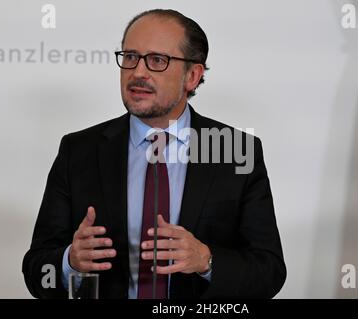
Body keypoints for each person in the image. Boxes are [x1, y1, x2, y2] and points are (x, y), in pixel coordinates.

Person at [22, 9, 286, 299]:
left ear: (193, 76)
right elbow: (37, 272)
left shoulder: (235, 151)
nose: (138, 72)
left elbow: (269, 273)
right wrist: (68, 261)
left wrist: (206, 260)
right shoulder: (79, 151)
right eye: (131, 57)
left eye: (157, 60)